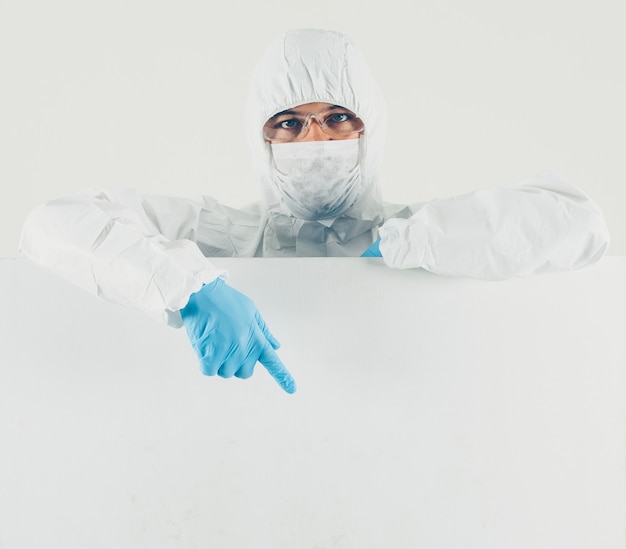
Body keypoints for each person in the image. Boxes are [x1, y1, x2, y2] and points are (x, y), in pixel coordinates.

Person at [19, 29, 609, 394]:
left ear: (369, 128)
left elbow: (577, 222)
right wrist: (186, 286)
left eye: (338, 118)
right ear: (261, 139)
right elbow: (50, 225)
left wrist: (409, 244)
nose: (315, 140)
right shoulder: (225, 236)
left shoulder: (422, 233)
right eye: (289, 123)